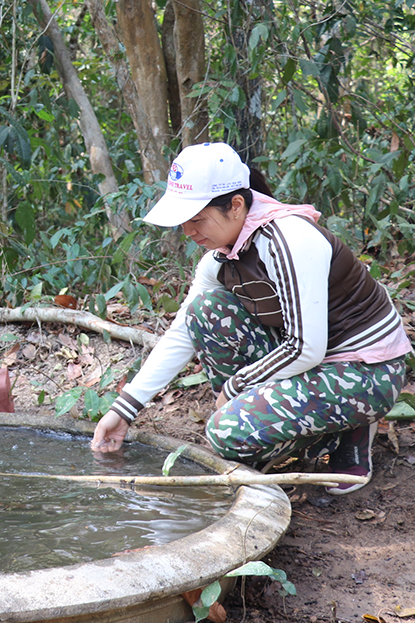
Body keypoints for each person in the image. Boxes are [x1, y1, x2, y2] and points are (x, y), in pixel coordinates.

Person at [91, 142, 411, 494]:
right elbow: (183, 330)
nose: (188, 231)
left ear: (237, 205)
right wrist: (124, 409)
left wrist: (235, 389)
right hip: (309, 360)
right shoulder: (221, 257)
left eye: (197, 219)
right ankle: (285, 433)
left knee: (225, 433)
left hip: (366, 370)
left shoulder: (289, 240)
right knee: (206, 310)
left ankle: (346, 427)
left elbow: (306, 347)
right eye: (184, 222)